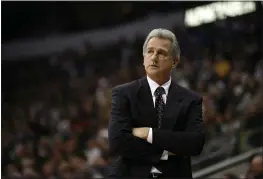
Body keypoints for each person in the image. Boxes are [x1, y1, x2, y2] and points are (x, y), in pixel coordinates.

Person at [108, 28, 205, 178]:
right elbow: (118, 142)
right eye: (150, 51)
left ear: (175, 61)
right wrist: (167, 151)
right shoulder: (123, 94)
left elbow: (195, 144)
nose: (153, 57)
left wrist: (149, 133)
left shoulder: (191, 99)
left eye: (161, 53)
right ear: (143, 58)